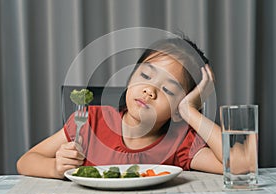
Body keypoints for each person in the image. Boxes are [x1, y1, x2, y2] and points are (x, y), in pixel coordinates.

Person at [17, 36, 223, 179]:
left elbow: (239, 165)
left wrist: (191, 111)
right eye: (145, 76)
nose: (149, 91)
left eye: (168, 90)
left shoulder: (179, 142)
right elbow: (26, 161)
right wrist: (56, 167)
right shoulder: (91, 122)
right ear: (130, 78)